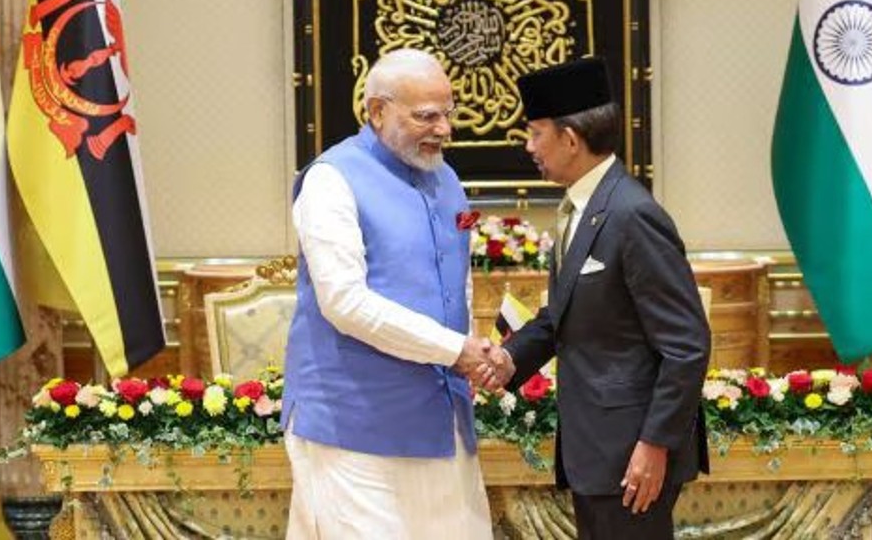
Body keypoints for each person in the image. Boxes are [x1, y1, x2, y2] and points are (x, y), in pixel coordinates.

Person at [281, 49, 505, 539]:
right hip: (354, 430)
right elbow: (344, 303)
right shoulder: (330, 179)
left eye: (448, 113)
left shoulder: (447, 180)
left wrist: (479, 351)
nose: (443, 129)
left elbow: (456, 277)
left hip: (443, 422)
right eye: (426, 116)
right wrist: (455, 350)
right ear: (377, 111)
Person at [483, 57, 711, 539]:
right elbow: (560, 316)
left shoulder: (632, 214)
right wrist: (508, 359)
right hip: (598, 451)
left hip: (632, 455)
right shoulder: (580, 210)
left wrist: (655, 444)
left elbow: (687, 344)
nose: (528, 147)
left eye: (535, 133)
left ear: (569, 139)